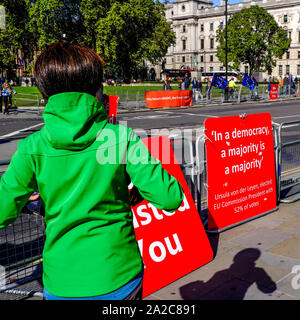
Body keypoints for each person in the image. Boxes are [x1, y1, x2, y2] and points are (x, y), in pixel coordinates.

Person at [0, 42, 184, 300]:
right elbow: (170, 196)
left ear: (44, 92)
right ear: (97, 89)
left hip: (62, 279)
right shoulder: (120, 138)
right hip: (118, 274)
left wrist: (36, 202)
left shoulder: (32, 147)